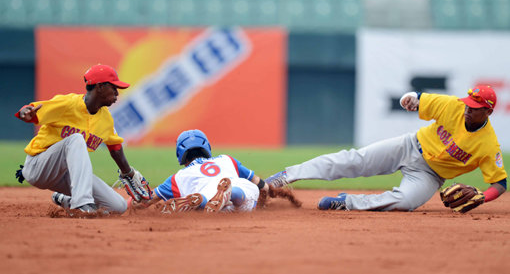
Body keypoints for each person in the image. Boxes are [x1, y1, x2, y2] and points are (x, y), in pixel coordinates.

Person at [266, 85, 506, 212]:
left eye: (475, 107)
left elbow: (501, 183)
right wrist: (409, 98)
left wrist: (483, 197)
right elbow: (418, 96)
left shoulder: (488, 144)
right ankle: (286, 176)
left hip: (430, 175)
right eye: (468, 103)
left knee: (405, 202)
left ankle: (346, 202)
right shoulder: (453, 105)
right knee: (354, 160)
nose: (468, 108)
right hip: (409, 146)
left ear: (488, 112)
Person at [15, 64, 150, 215]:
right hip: (39, 166)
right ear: (100, 87)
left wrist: (128, 172)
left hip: (65, 175)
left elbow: (115, 147)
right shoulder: (68, 104)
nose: (117, 94)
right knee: (76, 139)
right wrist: (25, 112)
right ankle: (82, 204)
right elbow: (33, 111)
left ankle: (65, 199)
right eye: (113, 88)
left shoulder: (106, 118)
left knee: (118, 206)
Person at [130, 129, 269, 213]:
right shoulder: (226, 160)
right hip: (237, 199)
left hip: (211, 204)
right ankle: (231, 193)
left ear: (180, 153)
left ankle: (200, 200)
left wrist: (126, 203)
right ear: (206, 147)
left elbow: (144, 201)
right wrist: (265, 197)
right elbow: (262, 185)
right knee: (247, 191)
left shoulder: (177, 178)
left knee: (207, 199)